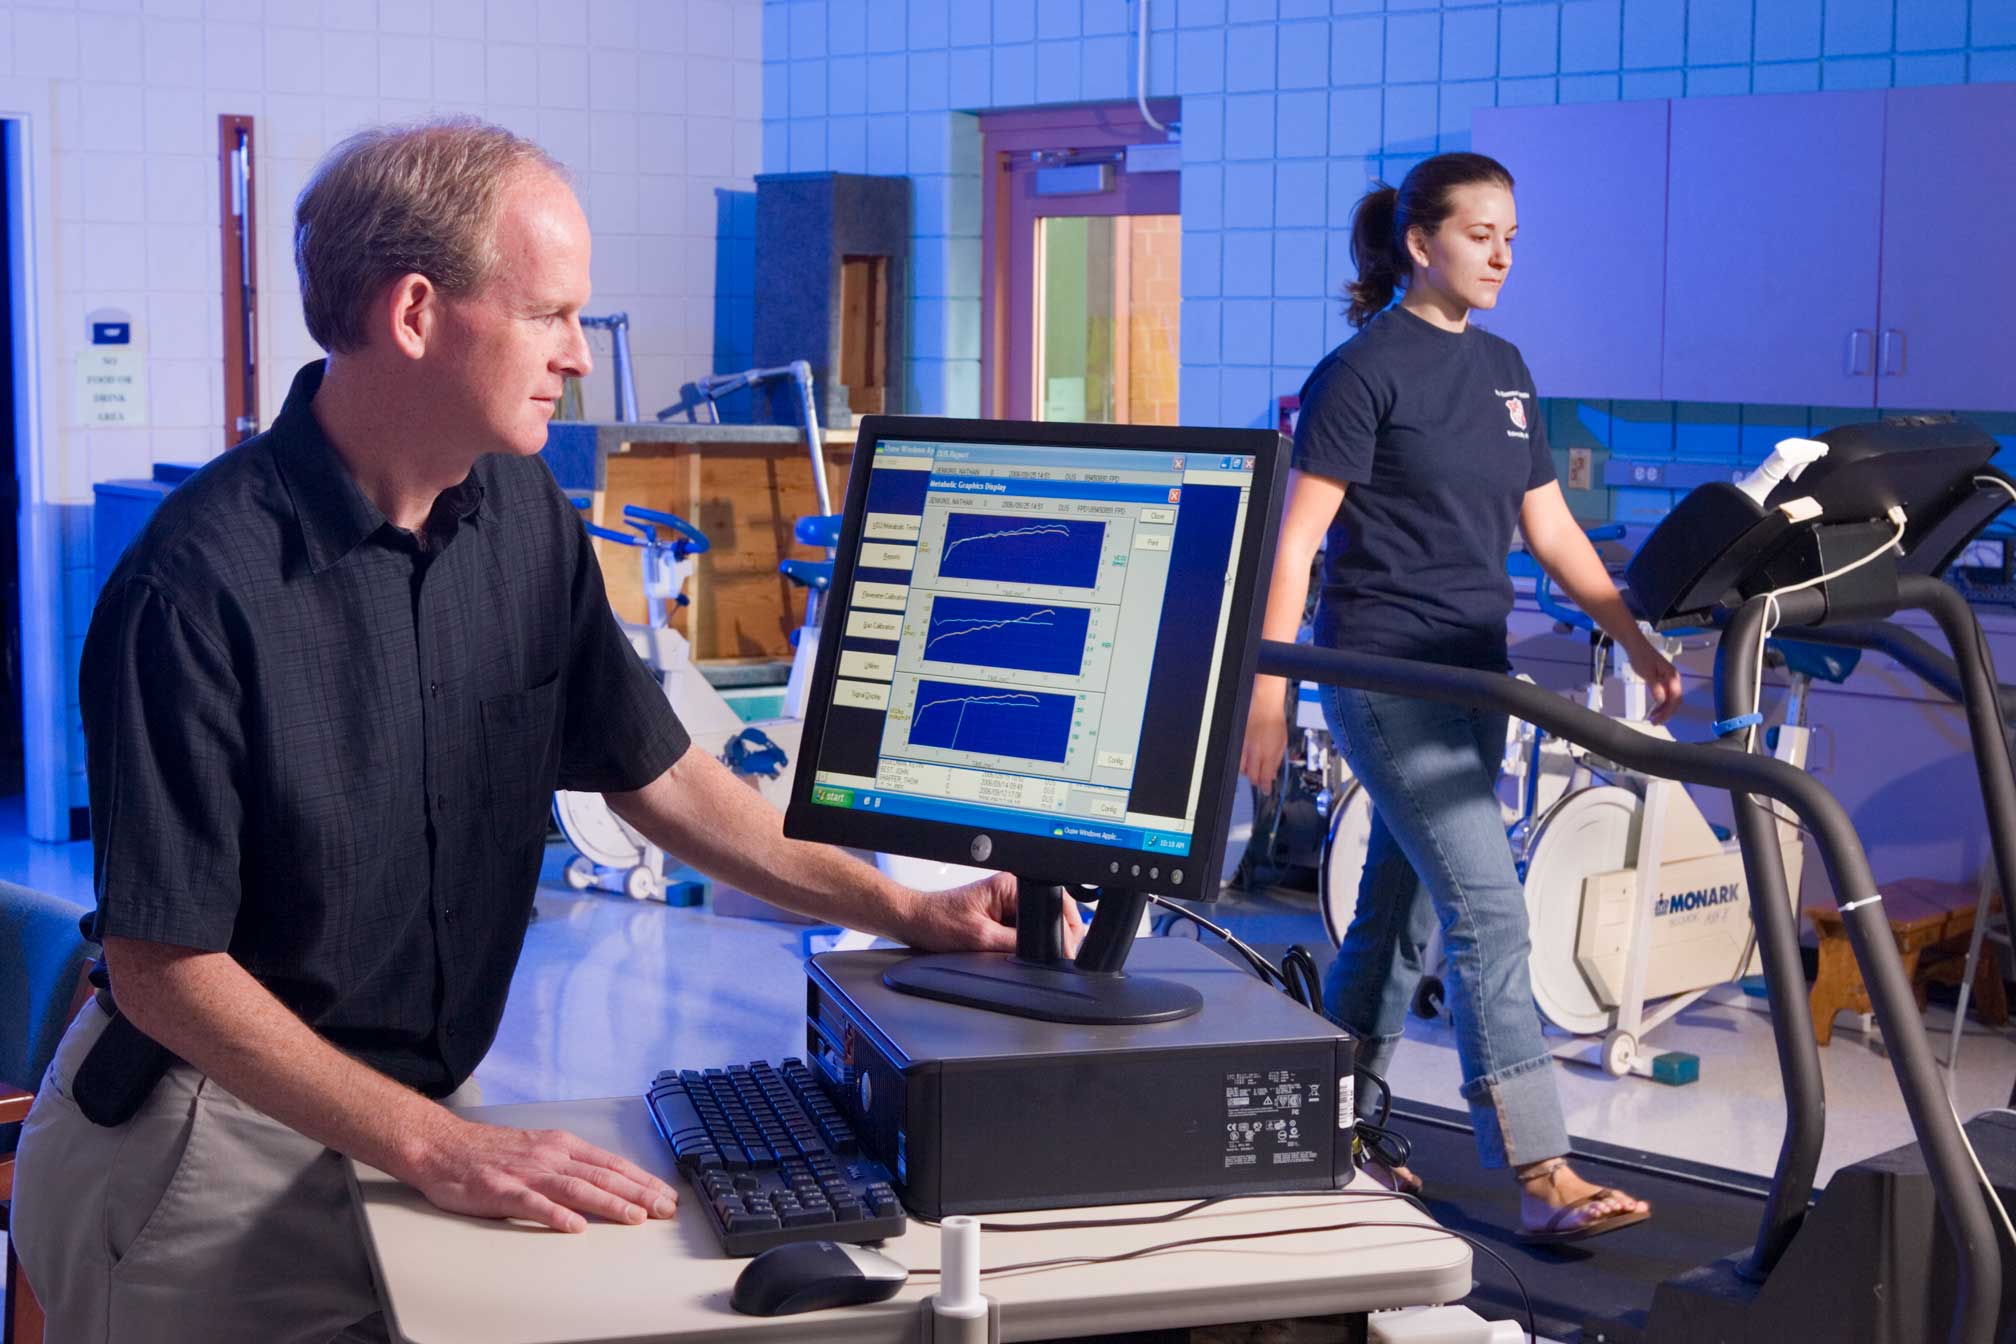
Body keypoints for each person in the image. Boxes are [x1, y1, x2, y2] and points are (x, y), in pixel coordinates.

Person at [11, 119, 1076, 1344]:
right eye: (550, 314)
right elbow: (163, 968)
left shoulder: (522, 518)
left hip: (416, 1111)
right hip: (211, 1144)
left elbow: (662, 778)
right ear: (417, 313)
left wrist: (907, 911)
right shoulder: (194, 585)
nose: (579, 355)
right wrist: (439, 1145)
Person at [1240, 152, 1680, 1245]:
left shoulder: (1507, 368)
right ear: (1419, 242)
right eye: (1480, 233)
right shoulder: (1361, 374)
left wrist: (1632, 633)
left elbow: (1551, 530)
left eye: (1512, 238)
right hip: (1384, 678)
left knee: (1402, 914)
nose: (1500, 255)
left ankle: (1329, 1127)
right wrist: (1266, 692)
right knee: (1491, 908)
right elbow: (1295, 547)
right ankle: (1542, 1167)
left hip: (1480, 677)